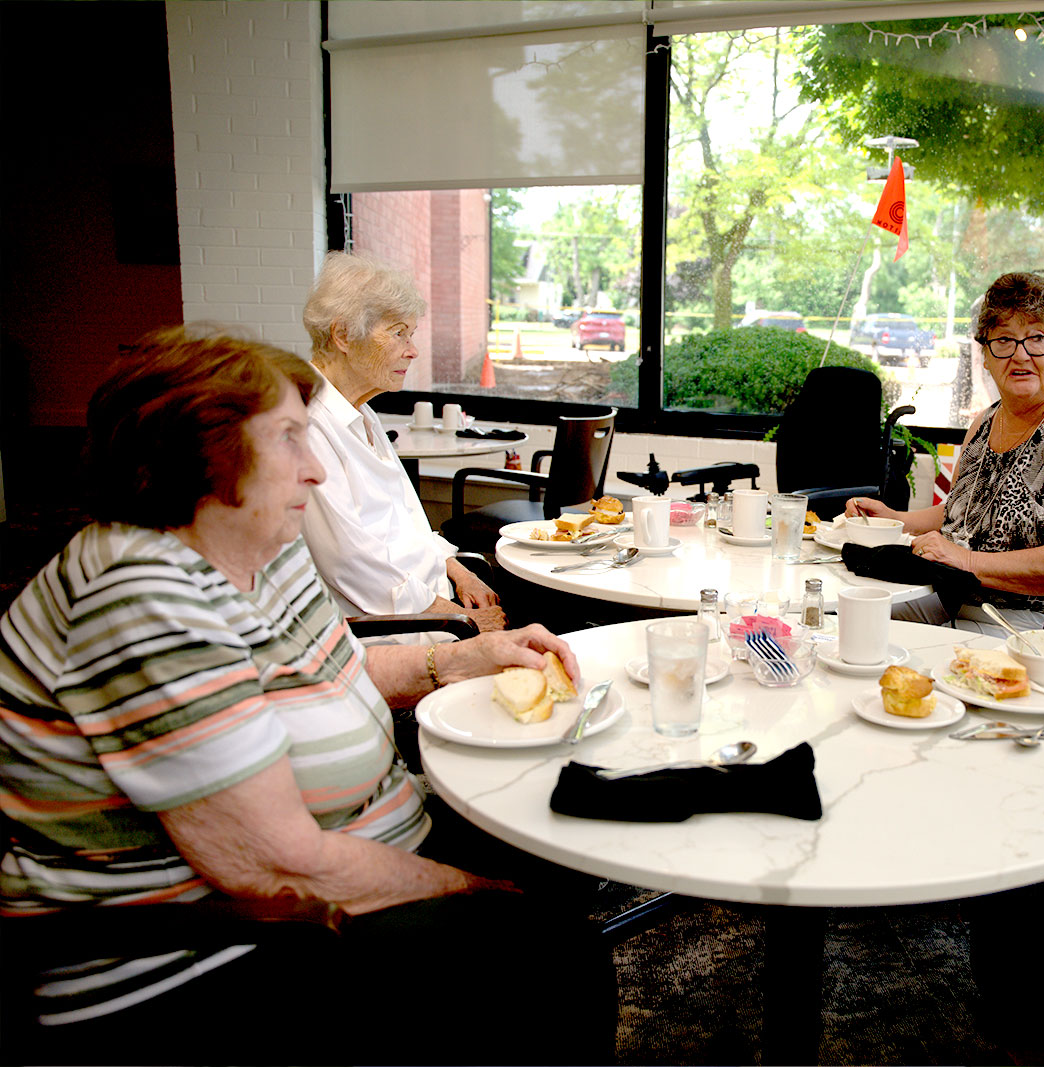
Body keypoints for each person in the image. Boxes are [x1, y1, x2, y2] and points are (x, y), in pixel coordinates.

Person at [0, 328, 611, 1061]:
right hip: (199, 952)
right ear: (199, 453)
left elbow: (335, 668)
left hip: (354, 843)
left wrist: (463, 657)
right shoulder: (141, 597)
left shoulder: (259, 542)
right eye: (291, 439)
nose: (317, 469)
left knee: (571, 824)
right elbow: (274, 867)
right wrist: (469, 888)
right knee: (556, 961)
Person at [846, 272, 1044, 669]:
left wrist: (966, 562)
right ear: (985, 354)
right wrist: (895, 520)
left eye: (1037, 338)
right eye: (1003, 340)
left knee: (896, 660)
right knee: (852, 623)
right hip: (973, 601)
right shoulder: (987, 421)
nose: (1020, 354)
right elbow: (962, 514)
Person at [300, 250, 505, 634]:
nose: (413, 350)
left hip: (433, 606)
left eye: (411, 334)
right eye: (398, 333)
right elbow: (350, 565)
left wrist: (460, 572)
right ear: (343, 335)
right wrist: (460, 619)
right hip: (391, 630)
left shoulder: (363, 413)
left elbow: (408, 522)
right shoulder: (307, 426)